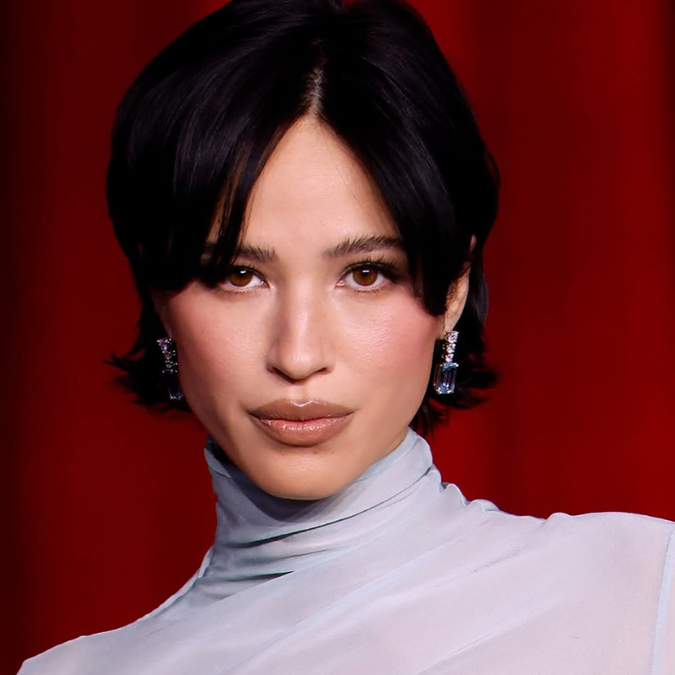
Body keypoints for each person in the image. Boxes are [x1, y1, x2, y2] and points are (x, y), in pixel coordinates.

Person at [19, 0, 674, 673]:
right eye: (238, 275)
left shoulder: (644, 591)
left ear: (452, 287)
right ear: (159, 294)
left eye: (365, 274)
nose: (298, 355)